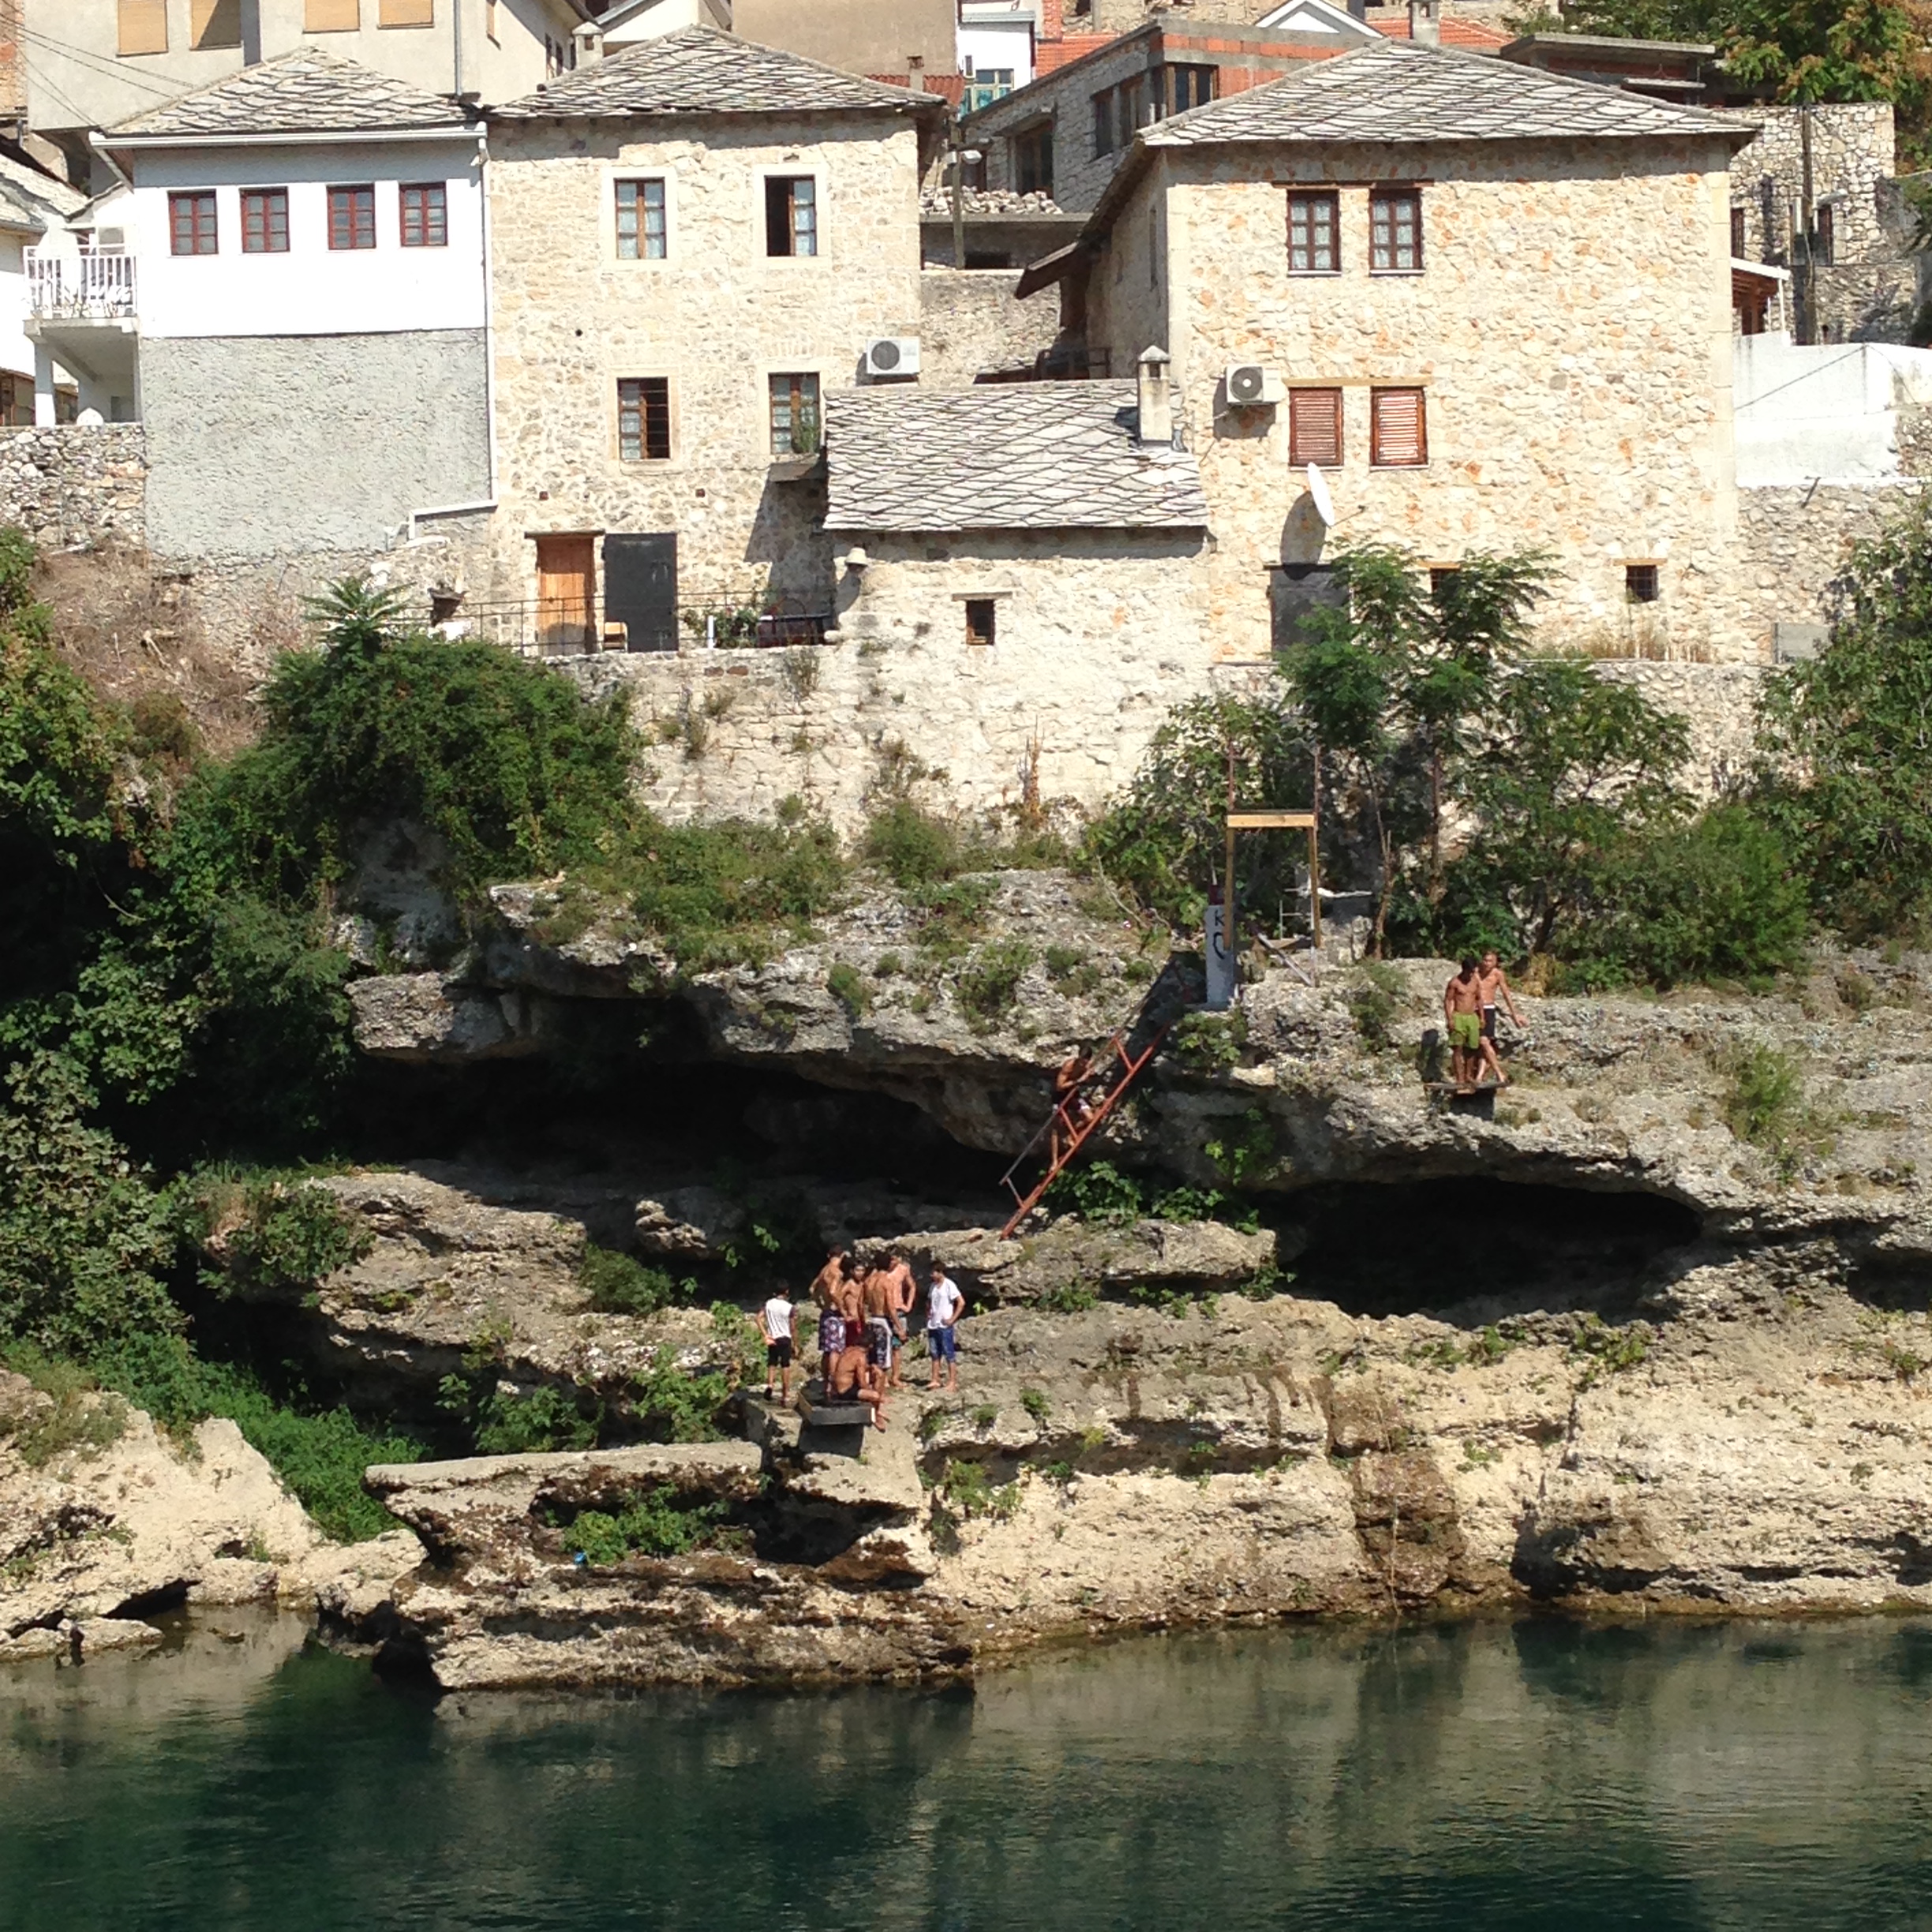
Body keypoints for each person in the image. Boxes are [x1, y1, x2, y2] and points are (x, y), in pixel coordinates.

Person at [1476, 949, 1525, 1089]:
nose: (1487, 963)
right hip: (1475, 1009)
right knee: (1483, 1044)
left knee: (1485, 1042)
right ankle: (1491, 1074)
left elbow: (1506, 994)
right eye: (1485, 960)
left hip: (1489, 1009)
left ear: (1495, 962)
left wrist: (1514, 1015)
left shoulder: (1497, 974)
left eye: (1490, 961)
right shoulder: (1476, 972)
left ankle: (1486, 1075)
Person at [826, 1332, 889, 1429]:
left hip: (841, 1387)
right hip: (845, 1392)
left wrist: (872, 1367)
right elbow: (861, 1382)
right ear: (871, 1346)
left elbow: (851, 1368)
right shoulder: (860, 1357)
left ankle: (876, 1411)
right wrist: (875, 1395)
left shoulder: (848, 1350)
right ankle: (874, 1416)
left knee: (878, 1374)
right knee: (875, 1396)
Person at [1049, 1043, 1096, 1164]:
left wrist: (1088, 1075)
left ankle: (1070, 1135)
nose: (1081, 1064)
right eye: (1080, 1061)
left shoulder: (1088, 1066)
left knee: (1090, 1117)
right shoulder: (1069, 1065)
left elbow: (1088, 1078)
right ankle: (1054, 1161)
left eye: (1084, 1062)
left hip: (1073, 1093)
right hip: (1060, 1095)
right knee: (1056, 1127)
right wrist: (1078, 1080)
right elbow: (1059, 1086)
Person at [1443, 957, 1485, 1091]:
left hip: (1472, 1017)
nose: (1471, 975)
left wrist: (1482, 1016)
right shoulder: (1455, 982)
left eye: (1473, 972)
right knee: (1458, 1048)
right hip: (1459, 1016)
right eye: (1469, 972)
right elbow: (1448, 1000)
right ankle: (1460, 1078)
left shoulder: (1475, 982)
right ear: (1464, 970)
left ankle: (1468, 1075)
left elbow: (1479, 999)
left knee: (1472, 1047)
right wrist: (1450, 1019)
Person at [881, 1251, 918, 1389]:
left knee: (897, 1346)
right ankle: (883, 1378)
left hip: (899, 1309)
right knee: (884, 1346)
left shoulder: (903, 1269)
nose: (892, 1262)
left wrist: (909, 1304)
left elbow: (912, 1286)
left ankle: (895, 1377)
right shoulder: (882, 1272)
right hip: (884, 1311)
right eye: (891, 1260)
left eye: (894, 1259)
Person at [860, 1256, 897, 1394]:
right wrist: (899, 1327)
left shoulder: (868, 1281)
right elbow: (891, 1308)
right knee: (883, 1358)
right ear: (889, 1266)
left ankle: (869, 1383)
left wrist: (863, 1319)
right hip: (882, 1320)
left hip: (870, 1319)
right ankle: (881, 1389)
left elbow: (861, 1303)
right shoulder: (886, 1282)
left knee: (871, 1355)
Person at [925, 1264, 964, 1392]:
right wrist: (928, 1312)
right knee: (934, 1353)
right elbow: (929, 1302)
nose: (931, 1275)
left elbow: (961, 1302)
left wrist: (952, 1319)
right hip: (933, 1324)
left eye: (933, 1273)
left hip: (944, 1325)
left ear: (940, 1272)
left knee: (949, 1353)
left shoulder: (949, 1285)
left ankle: (952, 1382)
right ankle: (935, 1379)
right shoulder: (933, 1286)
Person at [758, 1287, 795, 1402]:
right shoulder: (789, 1307)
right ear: (787, 1291)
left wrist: (765, 1334)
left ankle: (770, 1385)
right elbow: (793, 1327)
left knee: (772, 1363)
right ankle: (785, 1393)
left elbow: (758, 1318)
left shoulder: (768, 1304)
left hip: (772, 1338)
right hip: (785, 1338)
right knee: (785, 1365)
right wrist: (796, 1343)